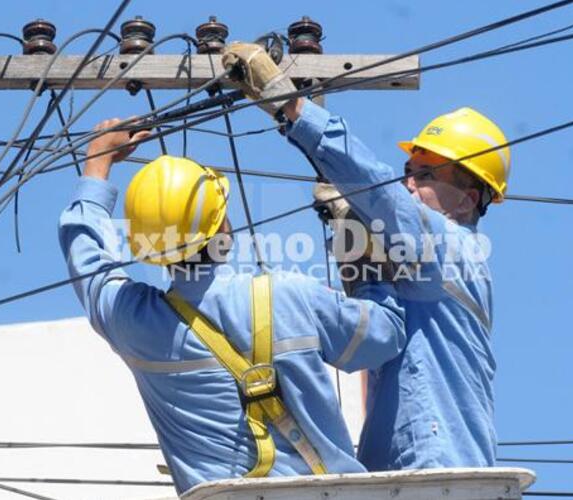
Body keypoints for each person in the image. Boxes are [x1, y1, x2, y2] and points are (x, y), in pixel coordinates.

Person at [58, 119, 406, 494]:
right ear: (222, 227)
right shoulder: (290, 296)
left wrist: (97, 161)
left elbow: (89, 260)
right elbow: (384, 337)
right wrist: (367, 265)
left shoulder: (137, 325)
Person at [223, 43, 510, 470]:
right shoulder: (416, 266)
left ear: (468, 201)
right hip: (392, 472)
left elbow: (379, 190)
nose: (409, 184)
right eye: (409, 173)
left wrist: (293, 106)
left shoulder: (457, 251)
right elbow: (373, 334)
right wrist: (351, 232)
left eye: (426, 176)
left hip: (443, 472)